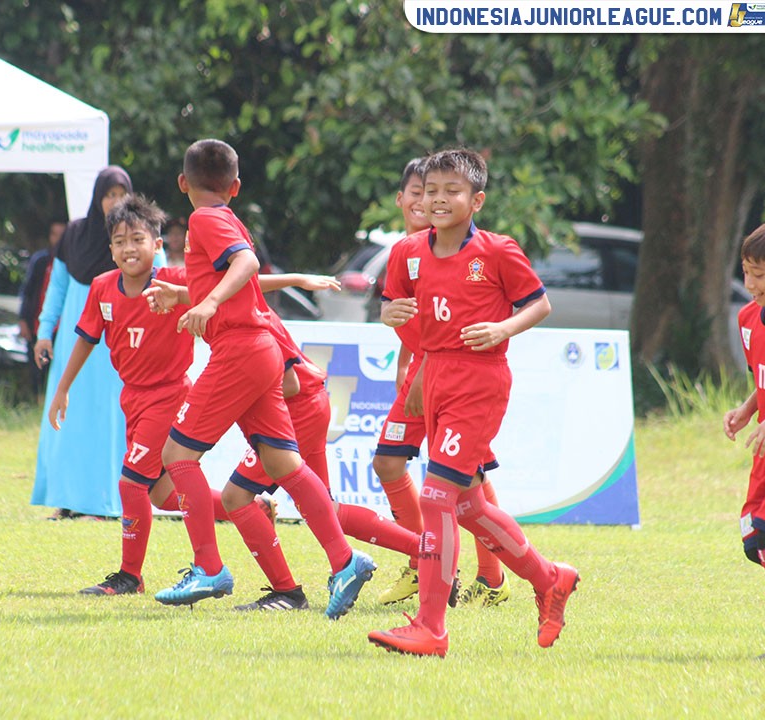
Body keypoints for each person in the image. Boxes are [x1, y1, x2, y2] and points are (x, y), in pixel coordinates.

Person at [366, 148, 579, 657]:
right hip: (433, 374)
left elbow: (539, 303)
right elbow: (392, 306)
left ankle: (431, 628)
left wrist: (502, 327)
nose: (438, 200)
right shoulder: (408, 251)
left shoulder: (498, 251)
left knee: (437, 498)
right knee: (466, 503)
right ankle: (550, 579)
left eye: (451, 191)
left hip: (478, 380)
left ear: (476, 199)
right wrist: (390, 314)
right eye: (431, 191)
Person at [152, 138, 374, 620]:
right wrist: (188, 295)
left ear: (182, 184)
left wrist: (206, 304)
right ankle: (346, 560)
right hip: (262, 352)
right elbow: (241, 276)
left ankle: (209, 567)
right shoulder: (226, 218)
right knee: (283, 465)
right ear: (234, 187)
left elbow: (246, 265)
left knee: (176, 457)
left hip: (239, 350)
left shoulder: (202, 218)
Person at [48, 195, 273, 595]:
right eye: (119, 241)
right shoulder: (102, 288)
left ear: (157, 244)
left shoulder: (176, 281)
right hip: (132, 399)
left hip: (169, 397)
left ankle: (129, 577)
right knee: (163, 495)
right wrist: (62, 388)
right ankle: (251, 508)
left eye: (137, 239)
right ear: (110, 248)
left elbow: (240, 283)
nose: (128, 249)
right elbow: (85, 340)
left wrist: (294, 281)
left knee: (130, 485)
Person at [375, 157, 510, 608]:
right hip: (421, 375)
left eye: (438, 192)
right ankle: (425, 559)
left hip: (453, 377)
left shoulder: (474, 251)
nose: (427, 200)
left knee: (462, 481)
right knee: (389, 463)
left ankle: (488, 577)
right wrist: (404, 358)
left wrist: (423, 367)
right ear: (402, 200)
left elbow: (455, 324)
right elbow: (412, 316)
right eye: (419, 192)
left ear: (470, 201)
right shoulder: (407, 253)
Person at [31, 167, 135, 520]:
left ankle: (106, 503)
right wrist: (45, 331)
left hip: (117, 345)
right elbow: (56, 288)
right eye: (109, 194)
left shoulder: (138, 236)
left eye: (121, 194)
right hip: (74, 341)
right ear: (97, 198)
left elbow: (160, 282)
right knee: (69, 419)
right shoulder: (75, 234)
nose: (115, 201)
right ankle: (68, 501)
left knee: (108, 420)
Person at [723, 217, 765, 661]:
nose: (749, 283)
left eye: (759, 274)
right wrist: (749, 409)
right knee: (757, 543)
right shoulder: (747, 319)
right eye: (746, 271)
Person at [18, 217, 66, 396]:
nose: (58, 240)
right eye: (55, 235)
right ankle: (36, 401)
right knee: (38, 370)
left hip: (62, 328)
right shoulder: (41, 260)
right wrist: (23, 319)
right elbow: (28, 291)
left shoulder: (75, 263)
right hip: (40, 325)